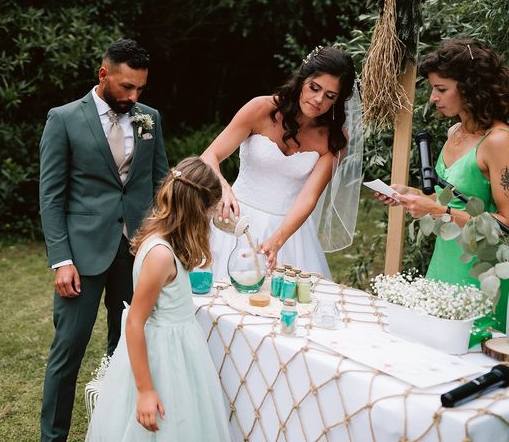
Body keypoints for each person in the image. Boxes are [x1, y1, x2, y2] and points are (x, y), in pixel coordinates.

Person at [39, 38, 169, 442]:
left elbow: (160, 180)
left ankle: (116, 431)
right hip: (82, 254)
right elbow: (51, 194)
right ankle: (53, 436)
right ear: (103, 75)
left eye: (140, 89)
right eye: (126, 87)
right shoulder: (64, 119)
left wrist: (163, 237)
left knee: (128, 345)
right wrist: (61, 259)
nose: (134, 96)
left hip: (136, 251)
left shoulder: (150, 118)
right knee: (68, 352)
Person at [85, 157, 231, 441]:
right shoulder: (161, 254)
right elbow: (135, 322)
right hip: (165, 356)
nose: (211, 218)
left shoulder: (165, 240)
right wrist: (146, 390)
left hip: (177, 347)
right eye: (211, 210)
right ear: (198, 209)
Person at [374, 37, 509, 333]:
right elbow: (447, 199)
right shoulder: (454, 132)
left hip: (479, 273)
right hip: (442, 263)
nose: (433, 97)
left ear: (470, 87)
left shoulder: (499, 141)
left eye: (441, 88)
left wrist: (438, 210)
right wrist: (410, 195)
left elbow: (506, 225)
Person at [201, 46, 362, 281]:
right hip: (236, 219)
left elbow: (309, 197)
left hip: (289, 232)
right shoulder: (261, 109)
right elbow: (209, 156)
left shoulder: (334, 139)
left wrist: (278, 239)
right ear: (302, 79)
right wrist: (224, 188)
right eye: (314, 88)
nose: (318, 100)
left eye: (330, 96)